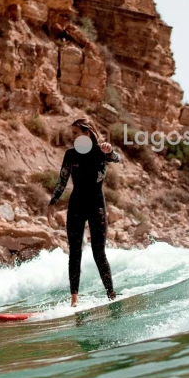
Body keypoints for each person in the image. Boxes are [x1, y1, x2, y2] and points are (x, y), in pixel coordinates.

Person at [46, 118, 120, 306]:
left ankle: (111, 295)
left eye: (75, 133)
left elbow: (117, 158)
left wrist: (109, 150)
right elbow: (62, 181)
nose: (72, 137)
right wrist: (52, 203)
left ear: (87, 133)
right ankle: (74, 301)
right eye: (72, 133)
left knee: (98, 252)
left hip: (97, 206)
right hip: (76, 205)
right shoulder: (70, 155)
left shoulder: (101, 152)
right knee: (75, 252)